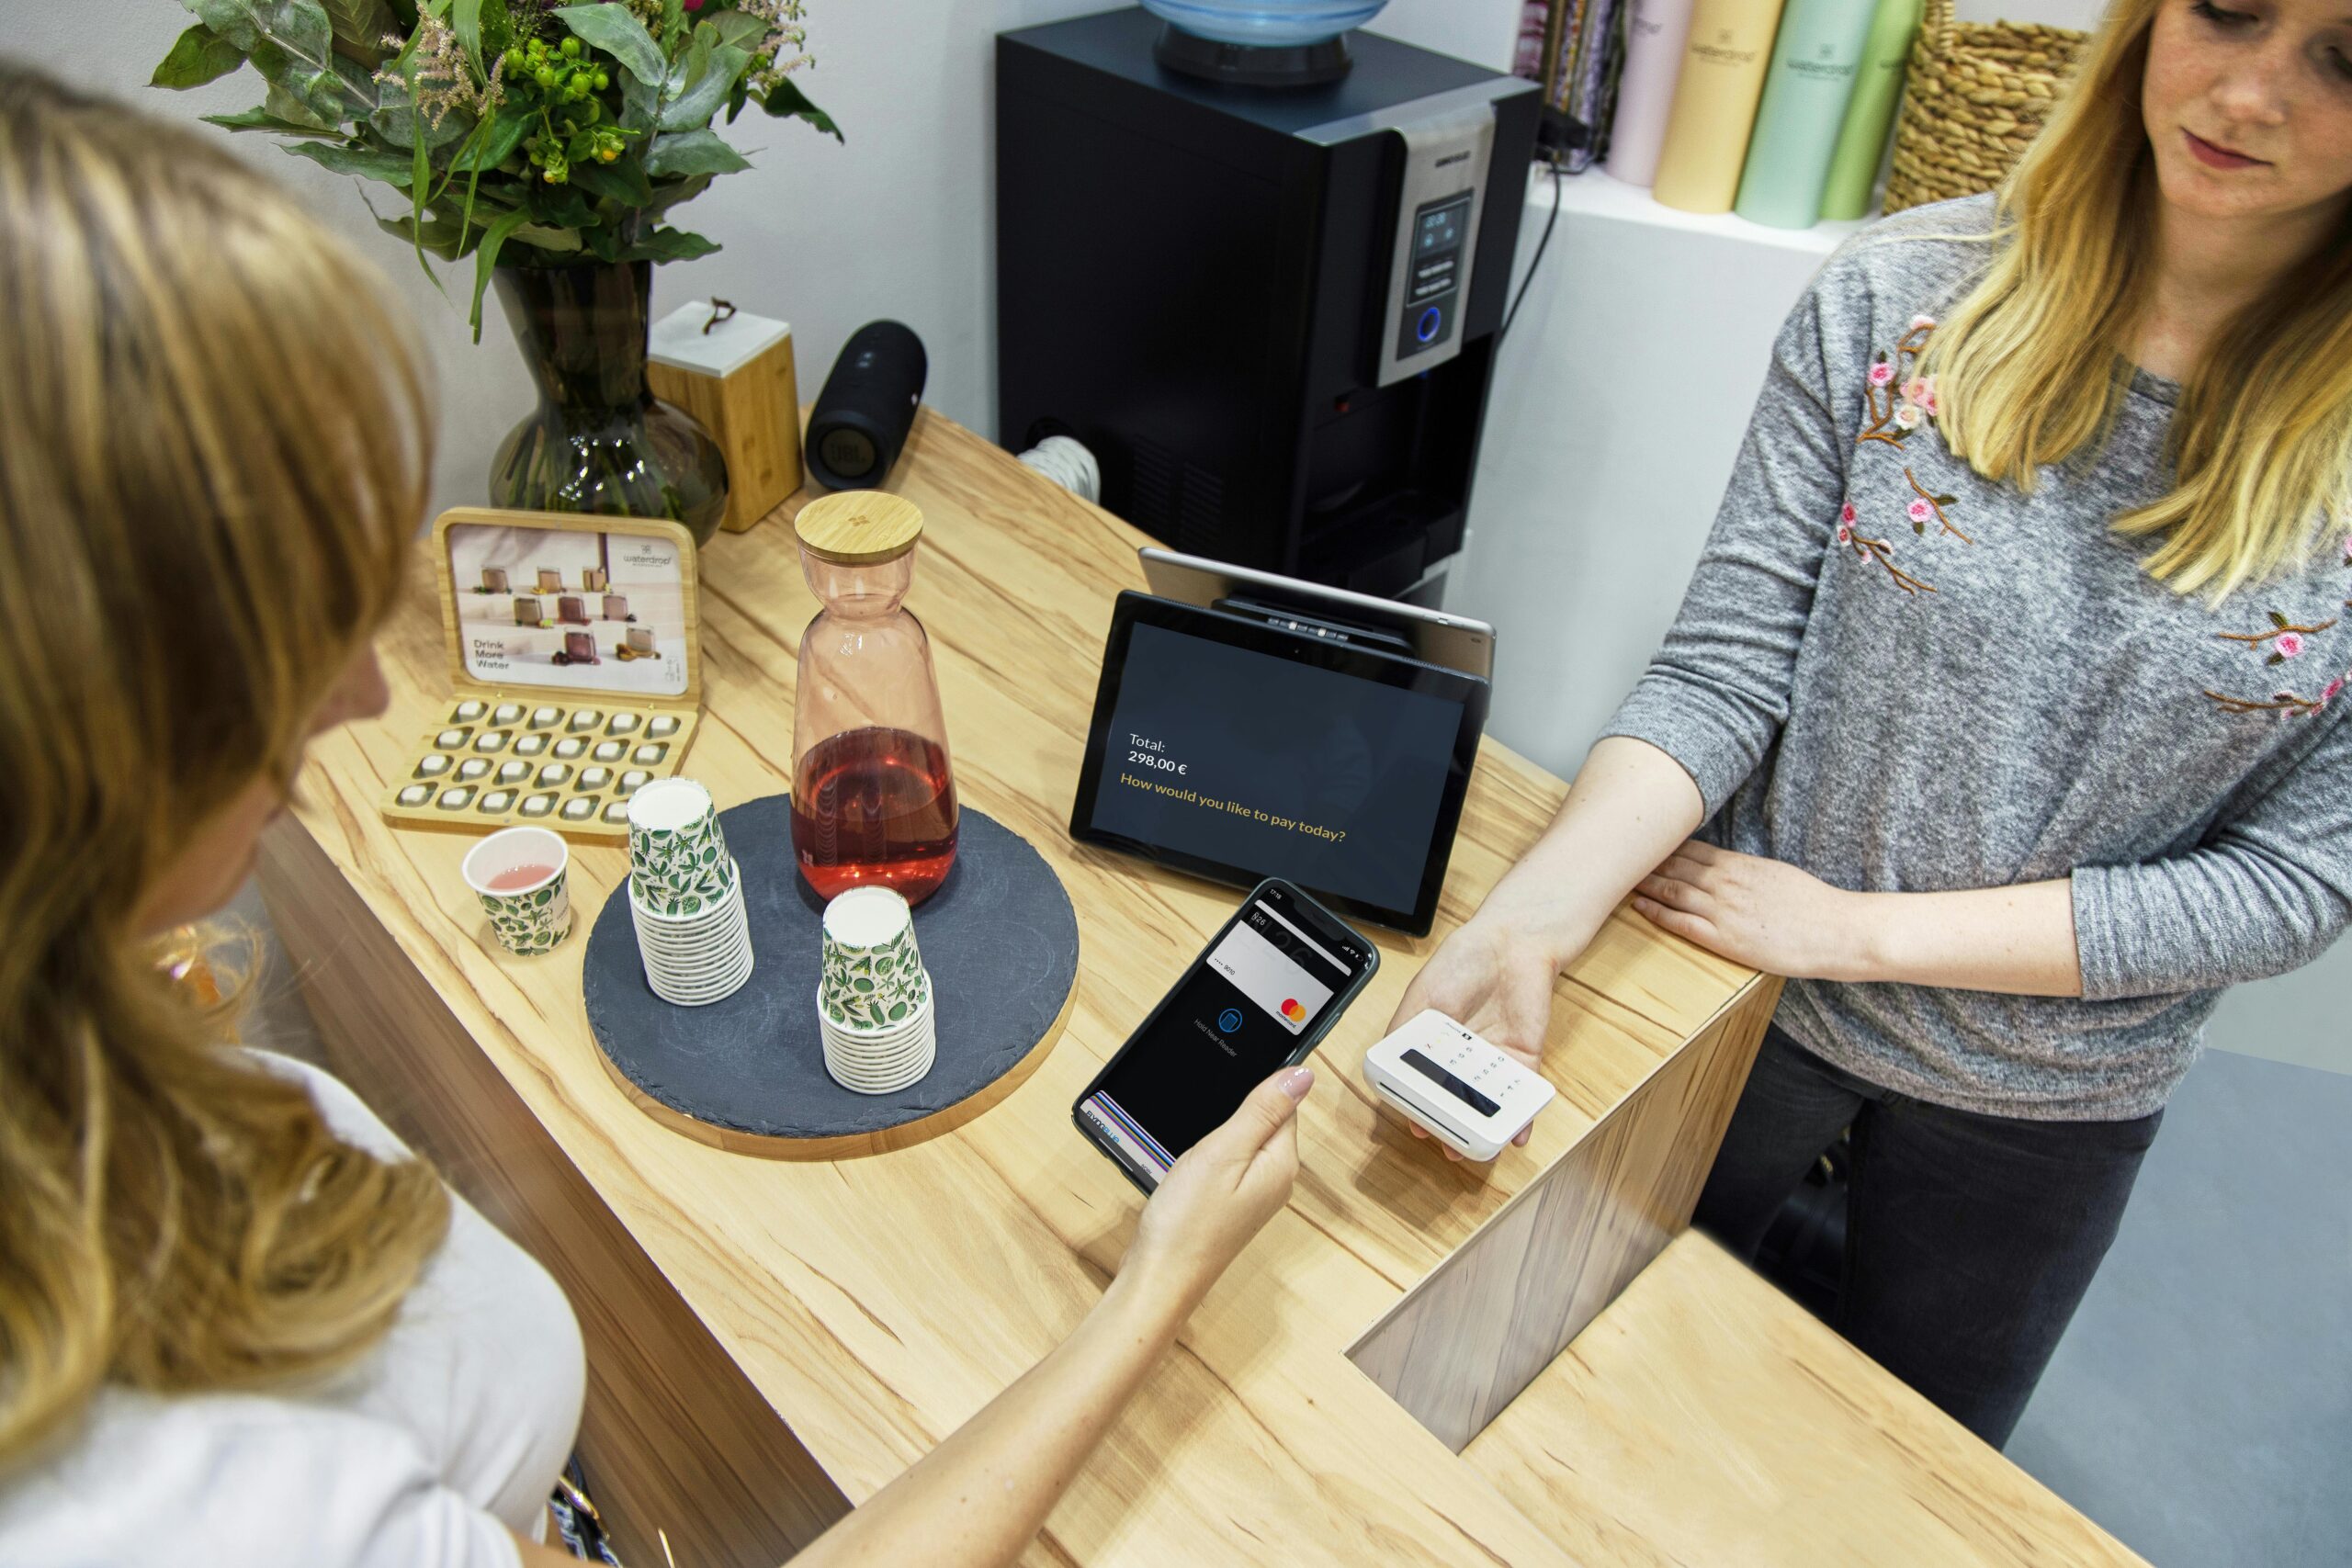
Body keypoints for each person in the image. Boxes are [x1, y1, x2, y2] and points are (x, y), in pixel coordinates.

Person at [0, 66, 1313, 1566]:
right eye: (294, 624)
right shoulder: (157, 1505)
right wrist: (1158, 1287)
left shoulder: (85, 1067)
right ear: (76, 711)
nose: (368, 693)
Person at [1392, 0, 2352, 1448]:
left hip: (2046, 1101)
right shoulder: (1907, 293)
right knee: (1553, 1404)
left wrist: (1855, 933)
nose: (2254, 93)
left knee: (1891, 1468)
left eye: (2347, 58)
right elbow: (1729, 665)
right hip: (1733, 994)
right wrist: (1534, 916)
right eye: (2226, 11)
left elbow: (2294, 884)